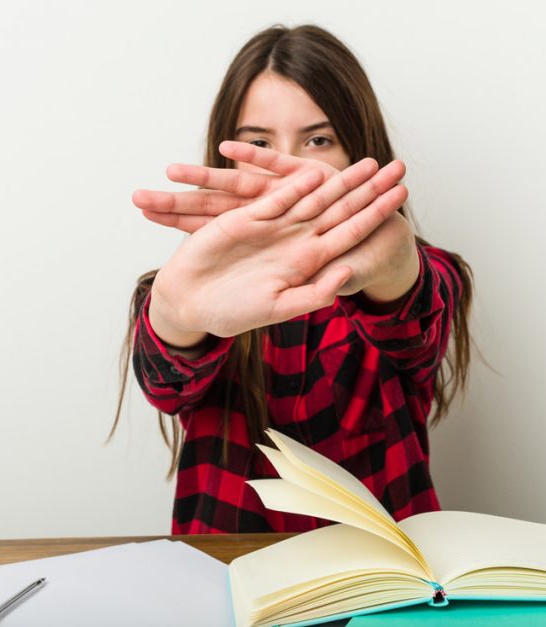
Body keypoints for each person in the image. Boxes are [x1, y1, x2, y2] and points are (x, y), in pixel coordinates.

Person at [112, 24, 474, 534]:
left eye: (319, 139)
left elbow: (420, 326)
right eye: (259, 141)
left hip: (383, 583)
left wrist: (396, 265)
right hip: (227, 578)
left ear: (359, 149)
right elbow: (167, 387)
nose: (292, 170)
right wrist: (172, 312)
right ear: (226, 155)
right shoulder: (190, 285)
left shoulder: (420, 270)